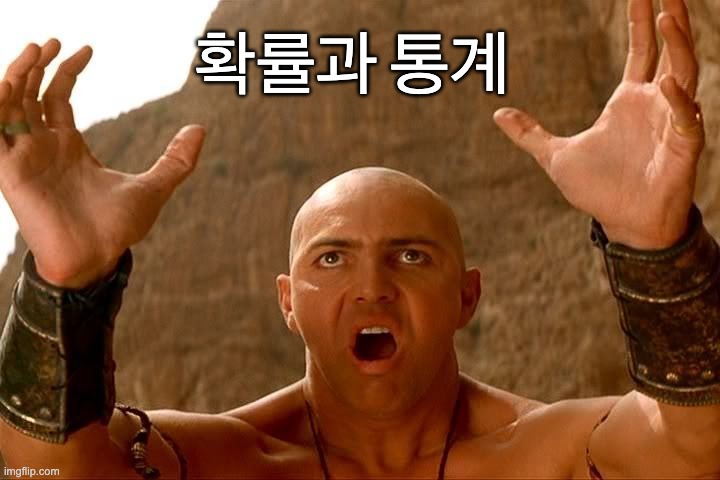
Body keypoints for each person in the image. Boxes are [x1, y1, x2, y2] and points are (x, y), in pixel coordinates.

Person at [0, 0, 718, 478]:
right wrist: (66, 281)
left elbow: (696, 447)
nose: (372, 287)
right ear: (288, 301)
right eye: (333, 258)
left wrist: (654, 245)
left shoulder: (551, 453)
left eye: (411, 256)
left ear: (466, 296)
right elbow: (41, 470)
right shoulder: (218, 461)